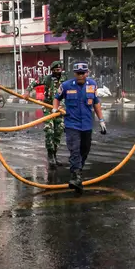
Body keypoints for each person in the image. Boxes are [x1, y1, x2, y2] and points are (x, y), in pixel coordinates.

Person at [52, 62, 106, 192]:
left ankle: (78, 172)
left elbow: (96, 103)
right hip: (72, 124)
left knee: (85, 149)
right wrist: (55, 109)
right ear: (75, 73)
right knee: (74, 150)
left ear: (87, 73)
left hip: (87, 124)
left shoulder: (92, 85)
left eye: (83, 73)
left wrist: (102, 120)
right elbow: (56, 97)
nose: (81, 75)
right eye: (78, 73)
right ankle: (75, 175)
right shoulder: (66, 85)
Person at [34, 60, 66, 167]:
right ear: (52, 70)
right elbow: (35, 82)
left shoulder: (64, 78)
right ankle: (50, 155)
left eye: (59, 70)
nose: (58, 72)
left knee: (58, 131)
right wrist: (27, 91)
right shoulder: (47, 78)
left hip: (59, 109)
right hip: (48, 107)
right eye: (56, 70)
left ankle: (55, 155)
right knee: (49, 131)